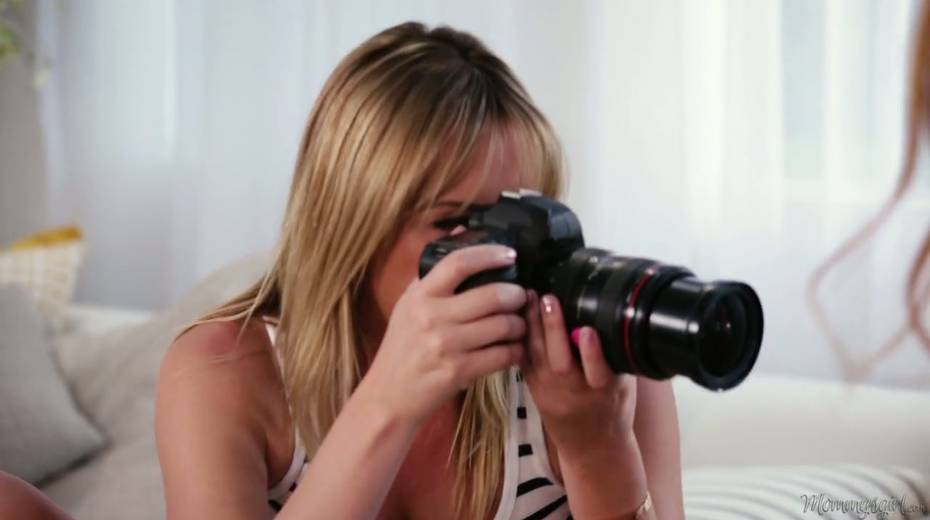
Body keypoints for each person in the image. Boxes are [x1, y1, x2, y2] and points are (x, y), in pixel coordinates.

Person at [156, 22, 682, 520]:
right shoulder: (221, 371)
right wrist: (389, 402)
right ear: (348, 222)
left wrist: (598, 450)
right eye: (454, 223)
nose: (504, 258)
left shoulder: (602, 366)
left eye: (523, 218)